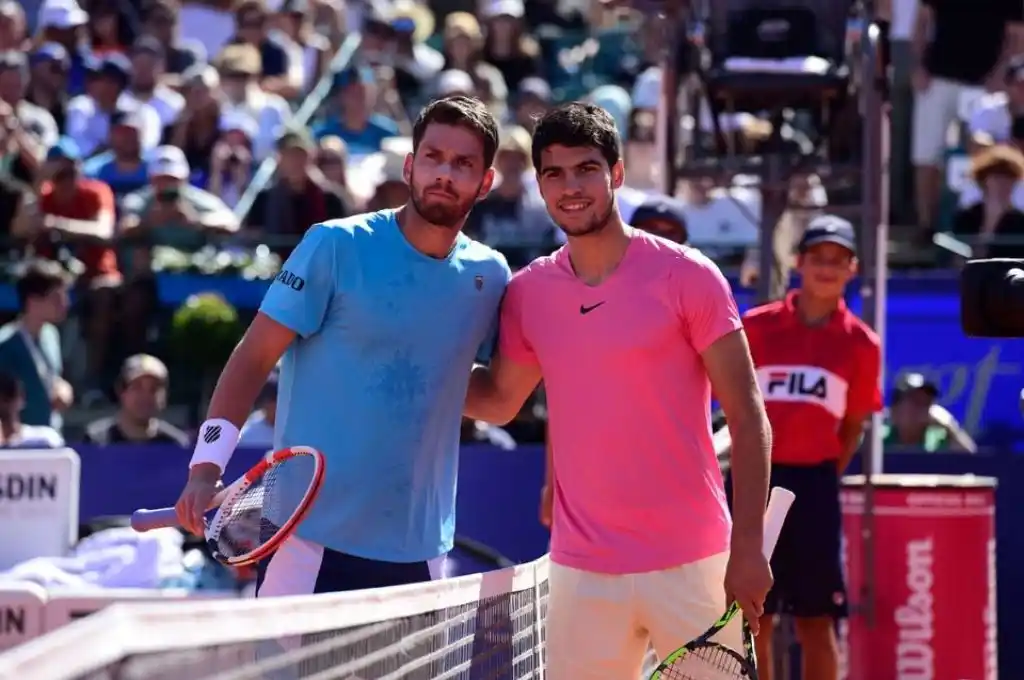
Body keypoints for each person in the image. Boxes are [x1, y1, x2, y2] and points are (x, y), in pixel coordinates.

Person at [464, 102, 773, 679]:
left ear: (617, 174)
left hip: (695, 562)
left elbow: (749, 417)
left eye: (585, 169)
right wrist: (411, 363)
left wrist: (749, 547)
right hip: (581, 573)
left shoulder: (689, 275)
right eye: (554, 173)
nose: (571, 187)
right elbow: (499, 401)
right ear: (539, 185)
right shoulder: (530, 293)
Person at [173, 96, 510, 597]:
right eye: (434, 158)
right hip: (303, 536)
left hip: (420, 547)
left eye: (463, 164)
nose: (445, 174)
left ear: (484, 183)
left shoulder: (490, 275)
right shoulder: (334, 243)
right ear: (411, 166)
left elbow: (481, 394)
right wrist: (205, 468)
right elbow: (253, 356)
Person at [717, 216, 883, 680]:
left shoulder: (861, 344)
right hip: (754, 483)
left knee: (816, 619)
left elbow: (853, 425)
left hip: (814, 488)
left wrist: (820, 469)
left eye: (838, 260)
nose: (827, 269)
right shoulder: (756, 327)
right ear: (799, 263)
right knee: (754, 616)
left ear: (853, 268)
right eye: (818, 258)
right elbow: (730, 406)